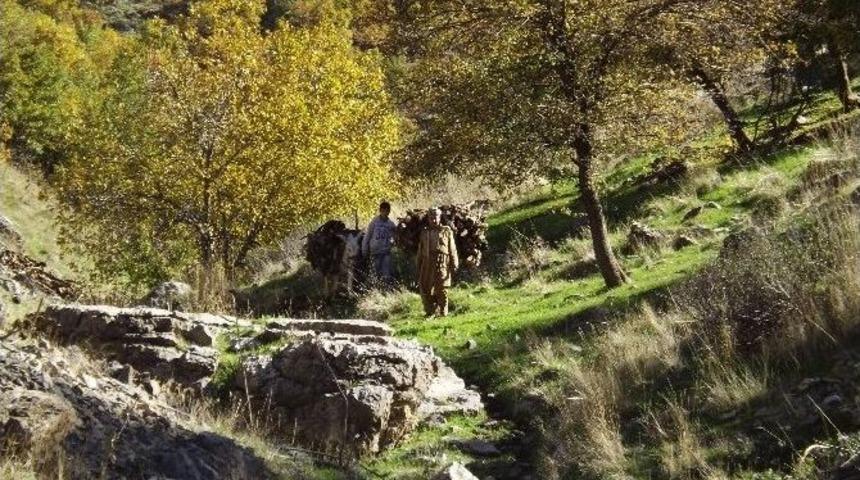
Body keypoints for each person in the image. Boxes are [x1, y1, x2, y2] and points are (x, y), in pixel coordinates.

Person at [417, 208, 459, 317]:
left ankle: (443, 312)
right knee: (424, 288)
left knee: (442, 287)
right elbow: (420, 250)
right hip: (427, 262)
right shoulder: (425, 232)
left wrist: (454, 263)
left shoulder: (446, 230)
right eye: (431, 217)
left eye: (435, 217)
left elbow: (452, 248)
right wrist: (419, 263)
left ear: (439, 217)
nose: (433, 220)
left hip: (442, 261)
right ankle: (430, 311)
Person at [362, 201, 397, 287]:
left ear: (389, 211)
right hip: (375, 252)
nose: (385, 212)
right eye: (383, 210)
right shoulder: (374, 222)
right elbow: (368, 236)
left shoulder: (391, 224)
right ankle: (372, 291)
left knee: (386, 274)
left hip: (385, 252)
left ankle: (385, 291)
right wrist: (364, 249)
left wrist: (393, 244)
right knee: (374, 274)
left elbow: (395, 237)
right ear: (380, 210)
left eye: (387, 210)